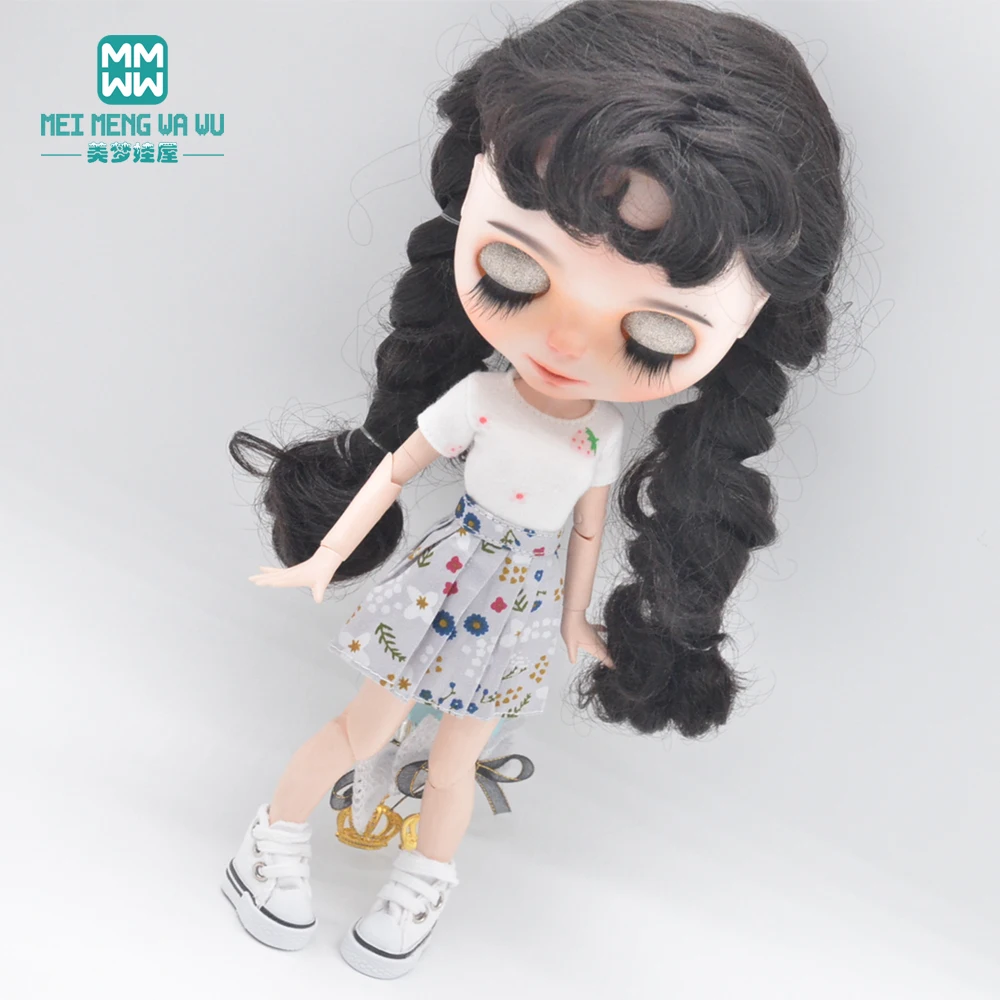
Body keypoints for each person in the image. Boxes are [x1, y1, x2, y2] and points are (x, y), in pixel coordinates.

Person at [223, 0, 851, 979]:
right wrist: (328, 556)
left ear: (752, 330)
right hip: (441, 591)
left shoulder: (599, 433)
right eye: (517, 268)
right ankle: (271, 838)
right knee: (365, 726)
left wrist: (575, 624)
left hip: (514, 618)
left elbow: (587, 535)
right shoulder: (478, 400)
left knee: (456, 762)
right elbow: (397, 468)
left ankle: (422, 882)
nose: (564, 340)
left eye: (655, 333)